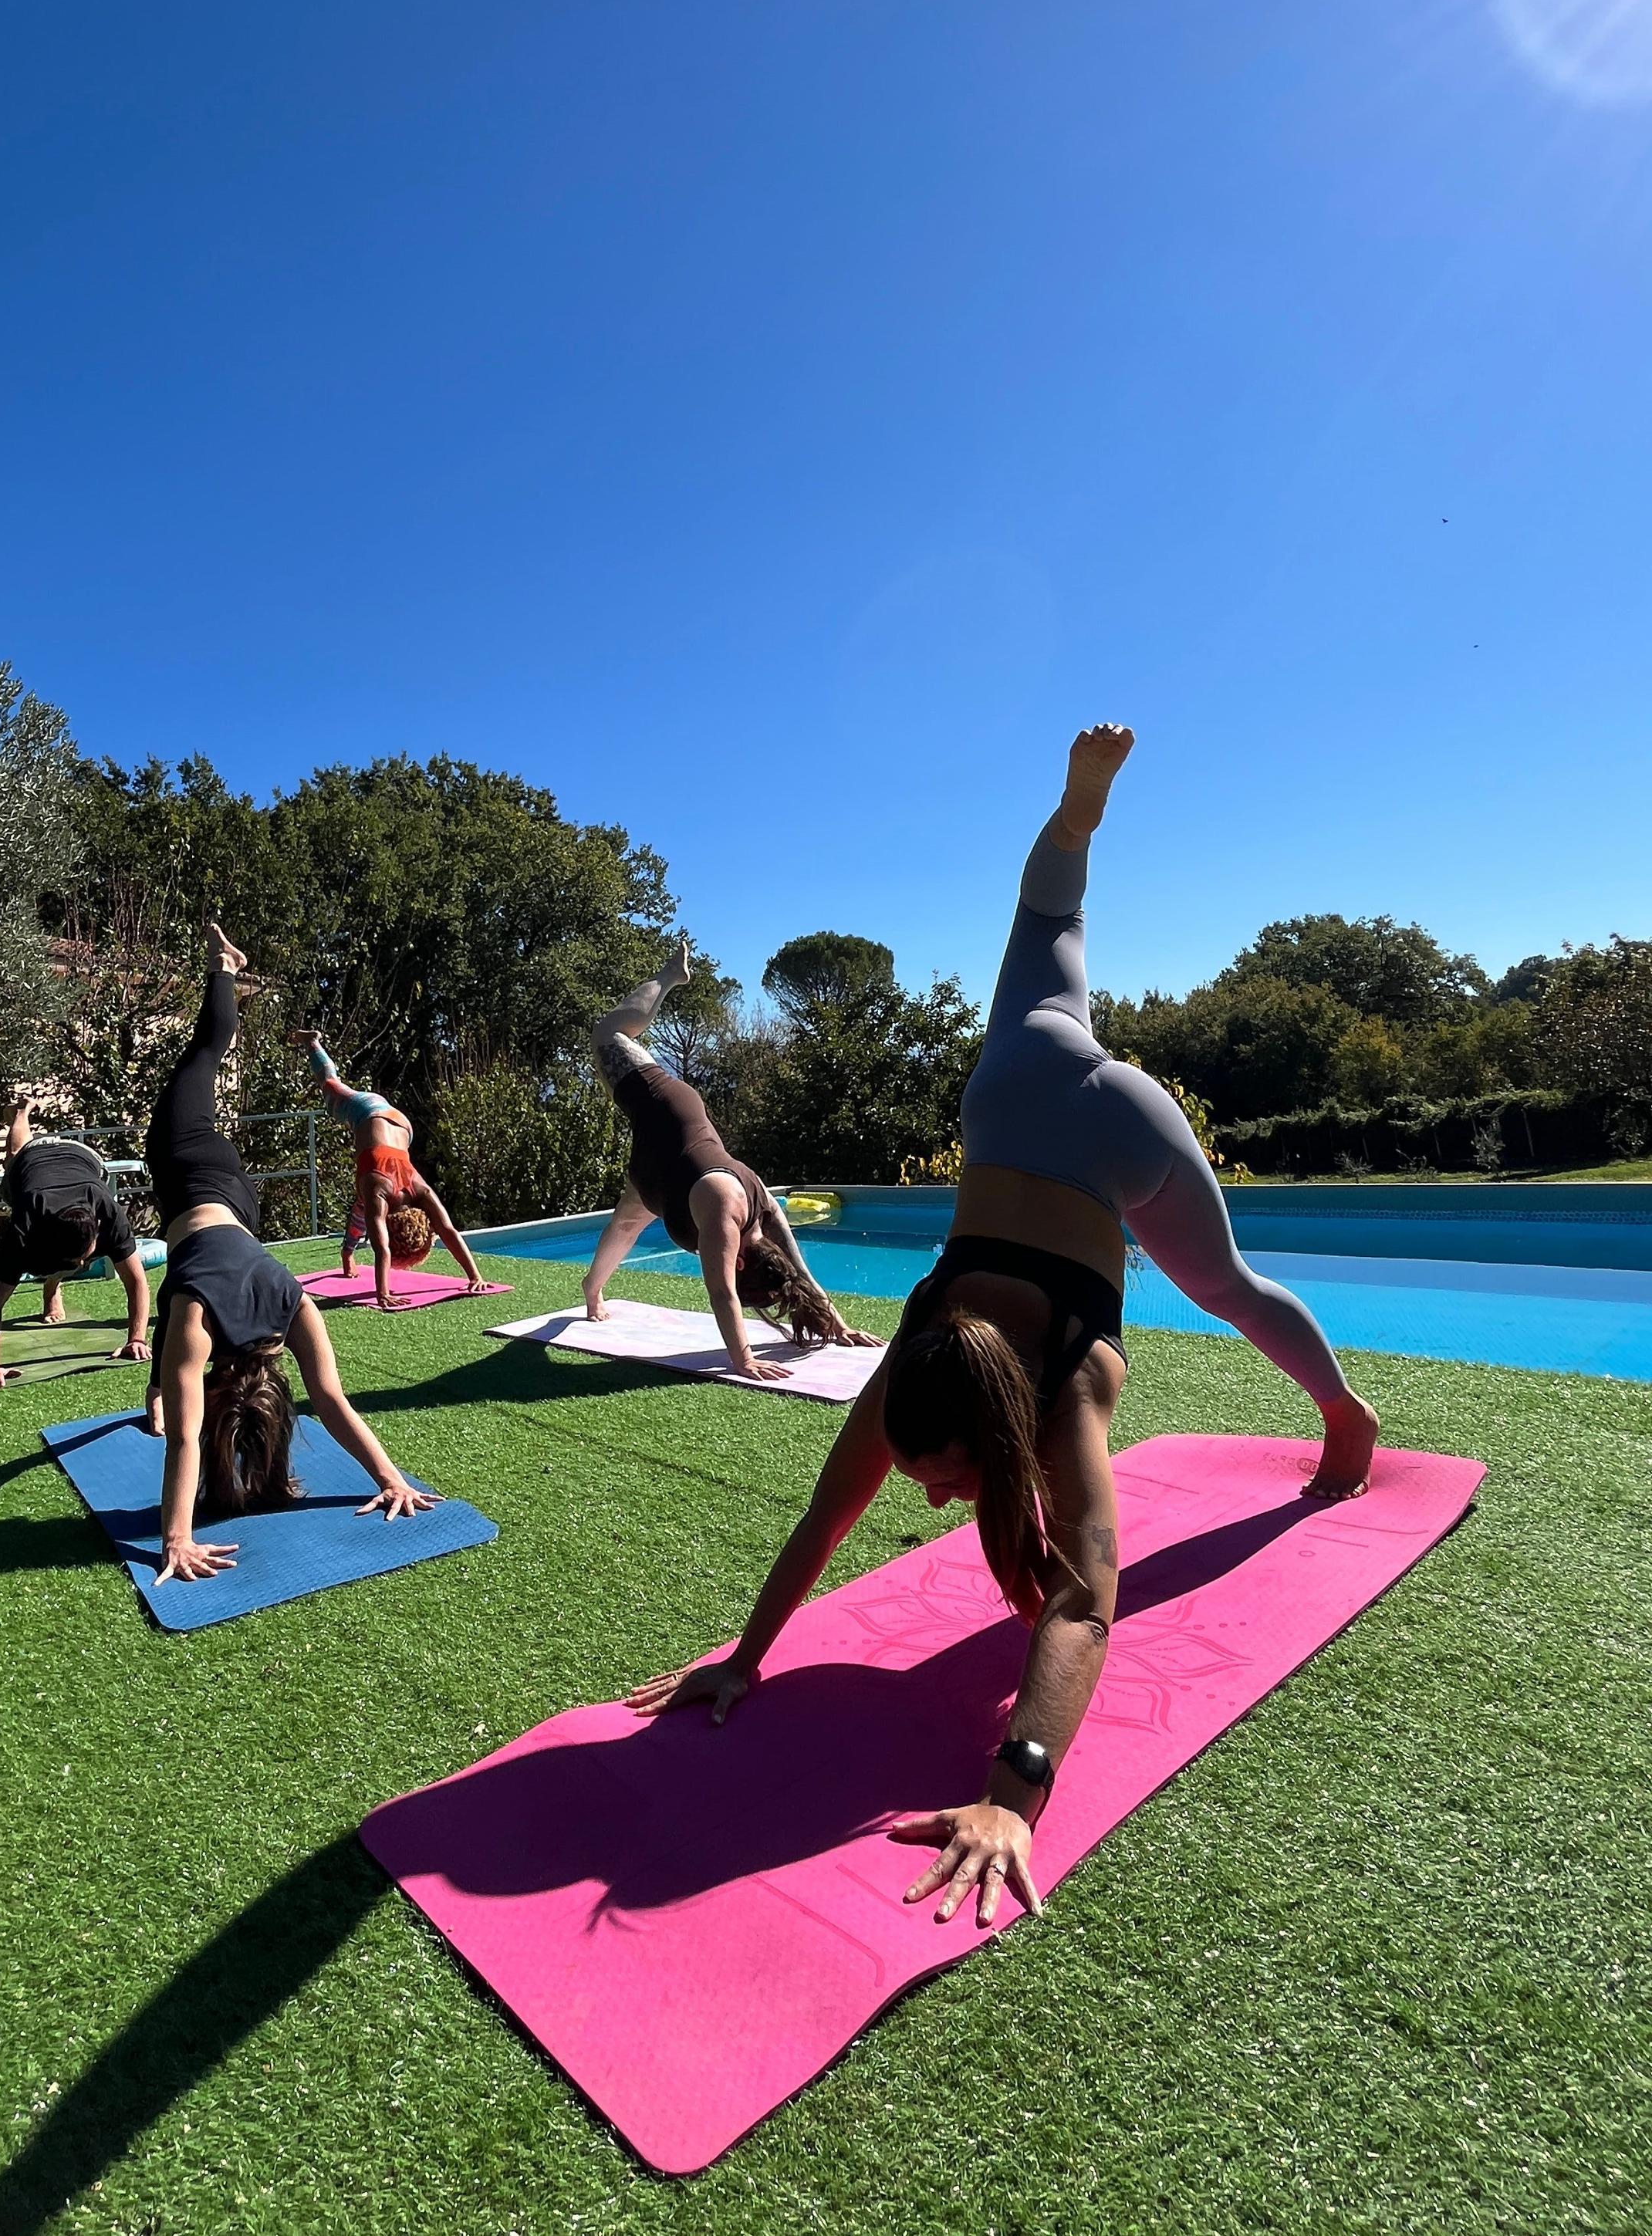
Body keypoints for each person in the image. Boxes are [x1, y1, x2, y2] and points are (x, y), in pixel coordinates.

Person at [630, 725, 1380, 1925]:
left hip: (1116, 1134)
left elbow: (1089, 1598)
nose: (927, 1497)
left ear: (1003, 1430)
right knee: (1048, 933)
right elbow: (830, 1513)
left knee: (1223, 1285)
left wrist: (1012, 1792)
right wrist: (745, 1654)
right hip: (1021, 1078)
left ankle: (1347, 1414)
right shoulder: (917, 1369)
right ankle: (1077, 814)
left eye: (946, 1479)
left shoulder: (1068, 1392)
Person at [143, 927, 433, 1585]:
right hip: (193, 1168)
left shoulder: (281, 1300)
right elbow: (197, 1435)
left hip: (240, 1209)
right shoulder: (198, 1317)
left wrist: (394, 1477)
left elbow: (324, 1400)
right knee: (205, 1052)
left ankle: (225, 966)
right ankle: (225, 966)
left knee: (207, 1056)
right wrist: (175, 1537)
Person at [583, 944, 880, 1380]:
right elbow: (723, 1294)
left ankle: (593, 1288)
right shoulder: (726, 1211)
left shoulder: (766, 1216)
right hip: (666, 1111)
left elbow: (801, 1273)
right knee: (607, 1036)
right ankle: (669, 977)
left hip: (659, 1172)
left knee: (627, 1223)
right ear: (742, 1260)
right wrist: (743, 1358)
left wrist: (837, 1324)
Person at [295, 1037, 495, 1309]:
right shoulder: (385, 1191)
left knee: (361, 1204)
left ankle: (346, 1253)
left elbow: (446, 1230)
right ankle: (313, 1042)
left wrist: (476, 1276)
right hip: (369, 1111)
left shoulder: (417, 1190)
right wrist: (382, 1293)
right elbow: (384, 1247)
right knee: (330, 1086)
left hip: (402, 1128)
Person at [0, 1107, 153, 1391]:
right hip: (29, 1162)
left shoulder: (108, 1212)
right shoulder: (24, 1225)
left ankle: (52, 1285)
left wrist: (136, 1339)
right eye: (77, 1260)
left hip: (84, 1158)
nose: (83, 1265)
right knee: (15, 1155)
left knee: (73, 1262)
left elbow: (137, 1281)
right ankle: (20, 1115)